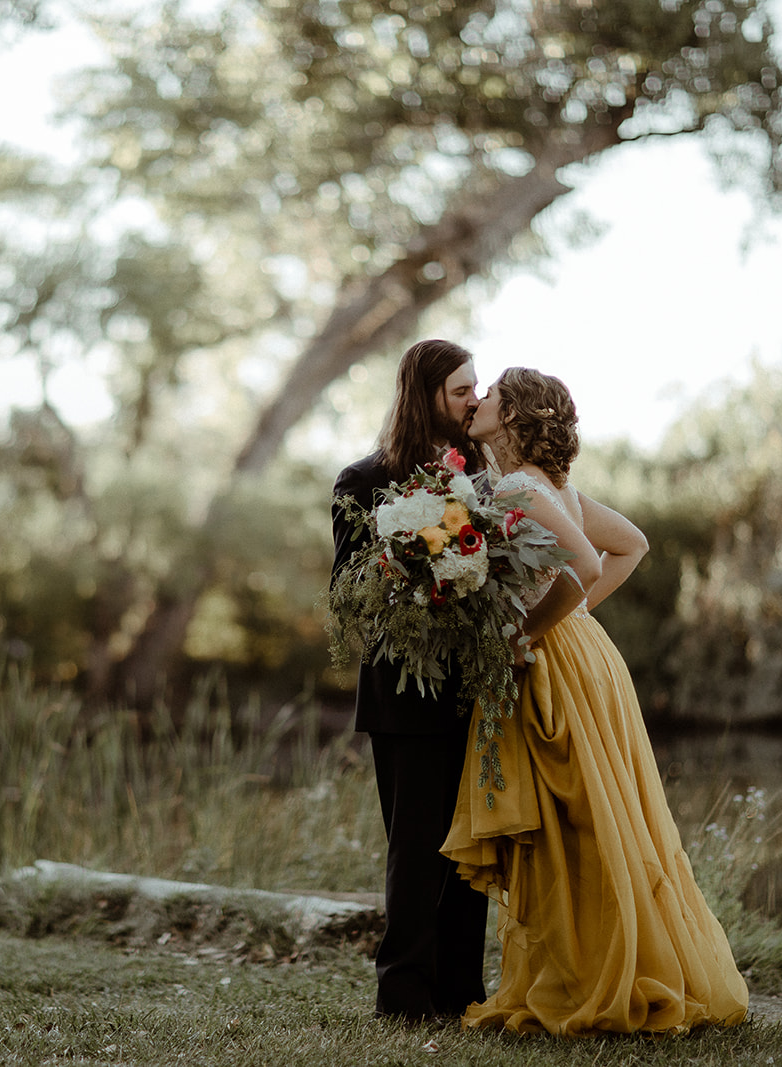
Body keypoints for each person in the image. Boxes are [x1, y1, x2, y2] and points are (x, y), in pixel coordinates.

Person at [440, 367, 749, 1035]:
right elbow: (630, 544)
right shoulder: (551, 488)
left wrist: (528, 630)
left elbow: (582, 564)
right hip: (584, 653)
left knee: (574, 821)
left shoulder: (522, 486)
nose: (481, 398)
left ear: (515, 413)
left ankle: (596, 976)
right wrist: (574, 617)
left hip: (553, 659)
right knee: (591, 818)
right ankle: (593, 966)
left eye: (492, 390)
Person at [331, 338, 490, 1023]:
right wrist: (417, 557)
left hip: (472, 686)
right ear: (425, 394)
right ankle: (403, 997)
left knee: (469, 849)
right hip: (402, 691)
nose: (474, 401)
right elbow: (345, 589)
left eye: (476, 389)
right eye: (461, 390)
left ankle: (462, 991)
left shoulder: (479, 474)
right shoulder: (362, 480)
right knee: (416, 851)